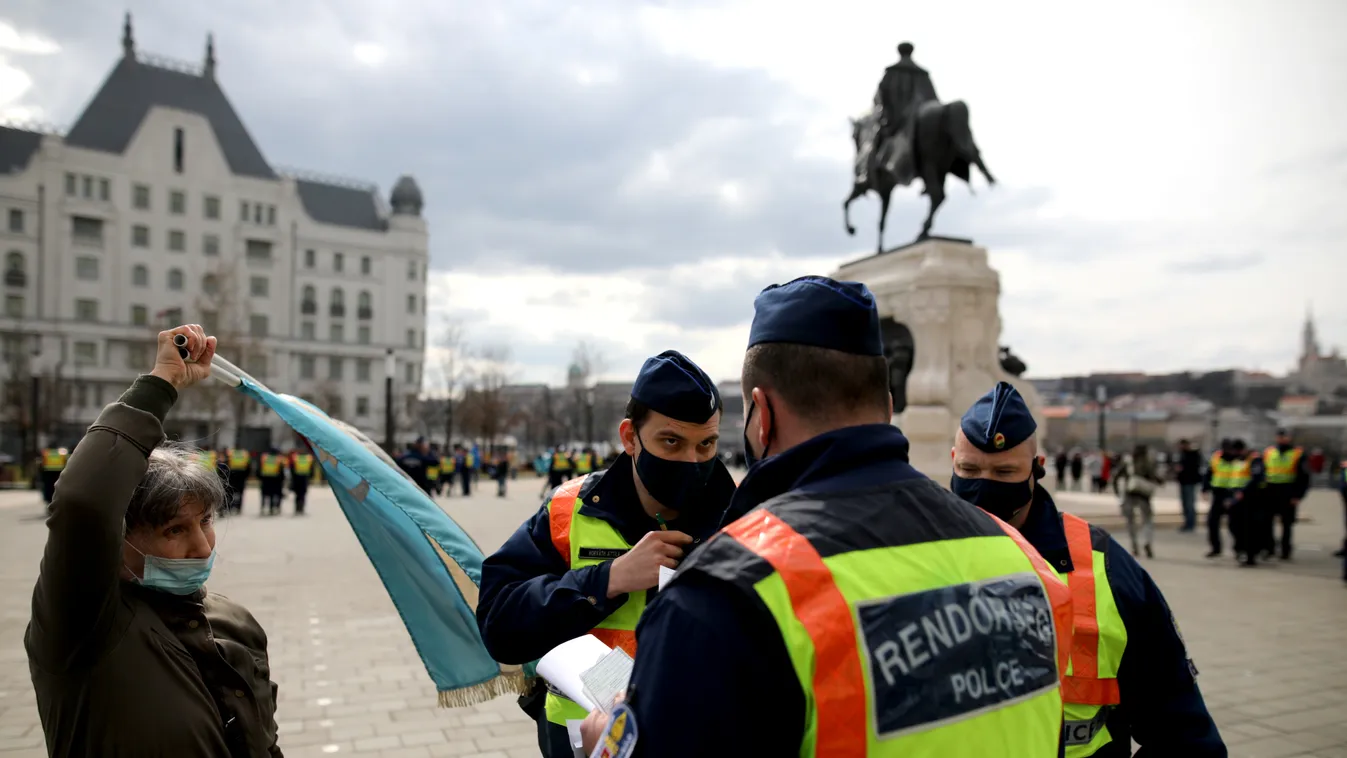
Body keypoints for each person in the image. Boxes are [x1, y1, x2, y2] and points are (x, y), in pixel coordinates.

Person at [582, 277, 1074, 757]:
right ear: (886, 405)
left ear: (761, 414)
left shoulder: (723, 593)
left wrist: (600, 748)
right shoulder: (1023, 558)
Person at [26, 325, 283, 756]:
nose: (202, 547)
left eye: (205, 522)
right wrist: (161, 383)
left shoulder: (234, 622)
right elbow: (83, 505)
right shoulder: (84, 624)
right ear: (119, 538)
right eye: (174, 530)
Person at [478, 350, 738, 758]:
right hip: (577, 734)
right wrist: (609, 579)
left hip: (695, 735)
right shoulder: (568, 509)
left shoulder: (742, 521)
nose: (692, 460)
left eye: (706, 444)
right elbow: (500, 623)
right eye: (671, 441)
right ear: (630, 437)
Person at [948, 382, 1224, 756]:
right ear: (952, 461)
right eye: (969, 469)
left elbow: (1182, 731)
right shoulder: (914, 553)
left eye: (1004, 472)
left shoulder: (1104, 566)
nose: (983, 486)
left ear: (1037, 469)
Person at [875, 41, 939, 185]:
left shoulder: (891, 72)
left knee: (877, 137)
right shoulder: (922, 73)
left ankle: (873, 170)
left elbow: (881, 95)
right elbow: (933, 98)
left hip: (897, 117)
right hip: (919, 112)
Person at [1261, 429, 1310, 560]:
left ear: (1289, 438)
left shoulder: (1298, 454)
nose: (1282, 439)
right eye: (1280, 437)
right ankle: (1269, 548)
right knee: (1267, 522)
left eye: (1284, 437)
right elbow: (1262, 472)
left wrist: (1298, 496)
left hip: (1288, 491)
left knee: (1287, 524)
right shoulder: (1268, 452)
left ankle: (1285, 550)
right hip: (1270, 491)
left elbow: (1304, 477)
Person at [1203, 439, 1252, 559]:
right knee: (1212, 522)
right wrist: (1205, 488)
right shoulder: (1216, 458)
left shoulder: (1239, 460)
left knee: (1234, 525)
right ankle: (1216, 548)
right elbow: (1209, 473)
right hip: (1218, 493)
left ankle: (1239, 548)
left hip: (1232, 494)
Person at [1120, 444, 1163, 558]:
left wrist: (1118, 495)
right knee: (1147, 520)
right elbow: (1155, 477)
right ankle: (1147, 542)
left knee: (1130, 521)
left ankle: (1134, 545)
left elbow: (1116, 477)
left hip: (1129, 494)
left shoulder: (1128, 462)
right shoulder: (1148, 463)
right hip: (1143, 496)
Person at [1174, 439, 1202, 532]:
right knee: (1185, 504)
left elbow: (1194, 467)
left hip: (1190, 482)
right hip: (1183, 481)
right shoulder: (1182, 454)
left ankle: (1190, 524)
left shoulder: (1193, 455)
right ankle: (1187, 523)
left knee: (1189, 504)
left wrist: (1183, 469)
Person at [258, 447, 286, 516]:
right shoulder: (279, 459)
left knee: (264, 494)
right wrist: (282, 479)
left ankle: (263, 507)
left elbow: (259, 469)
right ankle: (273, 508)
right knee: (274, 494)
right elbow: (282, 470)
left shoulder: (264, 458)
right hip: (276, 480)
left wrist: (260, 477)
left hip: (265, 479)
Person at [225, 445, 252, 515]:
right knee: (240, 493)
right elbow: (248, 466)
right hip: (241, 476)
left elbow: (226, 464)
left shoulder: (231, 453)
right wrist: (246, 475)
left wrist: (227, 475)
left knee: (230, 492)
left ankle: (230, 507)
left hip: (232, 476)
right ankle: (238, 507)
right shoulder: (245, 454)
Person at [290, 442, 315, 515]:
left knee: (297, 495)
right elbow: (311, 469)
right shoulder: (308, 458)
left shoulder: (295, 458)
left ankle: (297, 508)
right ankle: (301, 508)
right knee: (302, 495)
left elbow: (292, 468)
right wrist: (310, 477)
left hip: (297, 479)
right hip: (304, 479)